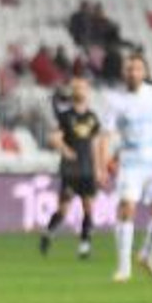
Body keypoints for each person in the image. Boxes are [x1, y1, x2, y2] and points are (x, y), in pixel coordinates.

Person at [102, 51, 152, 282]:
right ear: (123, 73)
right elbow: (106, 134)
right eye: (129, 69)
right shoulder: (115, 100)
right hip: (130, 163)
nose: (133, 73)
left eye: (137, 69)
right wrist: (104, 160)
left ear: (144, 72)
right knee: (127, 209)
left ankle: (146, 254)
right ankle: (124, 268)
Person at [40, 76, 104, 259]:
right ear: (72, 92)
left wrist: (100, 167)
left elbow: (95, 143)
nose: (80, 91)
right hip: (70, 169)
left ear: (87, 91)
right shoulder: (66, 116)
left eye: (83, 87)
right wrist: (65, 150)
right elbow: (54, 138)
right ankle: (49, 233)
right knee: (64, 209)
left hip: (88, 169)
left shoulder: (92, 117)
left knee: (89, 208)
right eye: (76, 88)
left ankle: (84, 245)